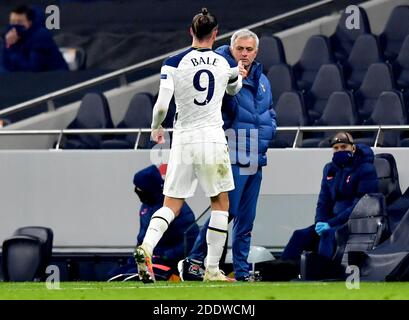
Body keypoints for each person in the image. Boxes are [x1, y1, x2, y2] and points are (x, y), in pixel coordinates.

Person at [134, 8, 243, 283]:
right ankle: (212, 269)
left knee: (171, 204)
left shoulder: (173, 62)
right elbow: (233, 89)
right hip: (211, 138)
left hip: (183, 138)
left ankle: (146, 247)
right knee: (221, 204)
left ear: (191, 32)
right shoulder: (222, 63)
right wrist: (238, 73)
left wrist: (156, 127)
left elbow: (161, 105)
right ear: (216, 34)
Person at [178, 29, 277, 281]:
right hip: (232, 149)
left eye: (249, 49)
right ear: (231, 49)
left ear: (256, 52)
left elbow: (268, 112)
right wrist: (234, 81)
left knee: (246, 219)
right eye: (240, 49)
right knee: (225, 211)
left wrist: (270, 130)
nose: (244, 54)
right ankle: (195, 261)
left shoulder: (263, 79)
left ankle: (242, 272)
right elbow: (218, 107)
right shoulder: (221, 72)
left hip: (255, 152)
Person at [280, 132, 379, 264]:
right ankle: (282, 271)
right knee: (300, 235)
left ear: (353, 148)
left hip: (355, 221)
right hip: (332, 220)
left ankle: (322, 274)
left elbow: (361, 205)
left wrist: (331, 224)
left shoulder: (366, 169)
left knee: (328, 234)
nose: (339, 151)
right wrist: (320, 222)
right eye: (336, 148)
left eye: (344, 147)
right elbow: (323, 201)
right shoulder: (330, 169)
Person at [107, 165, 199, 280]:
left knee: (131, 278)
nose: (136, 190)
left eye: (139, 188)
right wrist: (134, 257)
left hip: (168, 262)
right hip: (149, 259)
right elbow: (142, 237)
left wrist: (165, 255)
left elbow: (190, 239)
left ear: (148, 188)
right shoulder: (146, 206)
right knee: (114, 276)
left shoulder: (175, 208)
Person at [1, 5, 68, 72]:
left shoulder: (41, 37)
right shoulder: (9, 35)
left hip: (56, 76)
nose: (15, 25)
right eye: (12, 22)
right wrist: (9, 46)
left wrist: (13, 49)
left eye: (20, 22)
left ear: (29, 23)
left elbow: (33, 69)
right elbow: (5, 66)